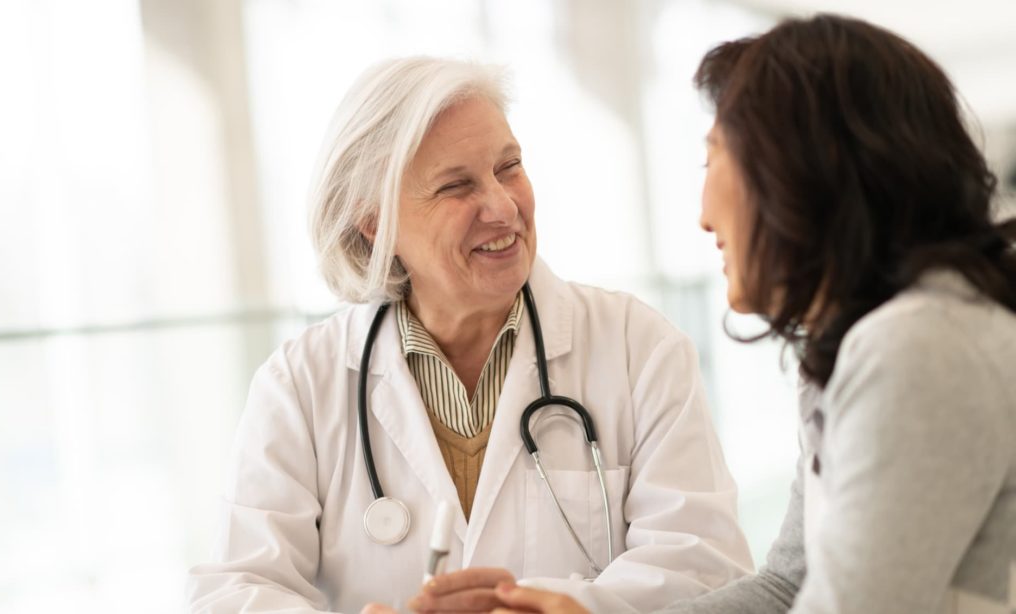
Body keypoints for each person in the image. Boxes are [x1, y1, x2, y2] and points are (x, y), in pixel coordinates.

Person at [488, 13, 1016, 614]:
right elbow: (787, 585)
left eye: (713, 159)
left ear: (803, 171)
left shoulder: (920, 347)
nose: (704, 214)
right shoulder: (863, 346)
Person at [185, 56, 754, 613]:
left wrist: (544, 609)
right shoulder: (300, 385)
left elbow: (704, 569)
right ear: (376, 221)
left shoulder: (639, 348)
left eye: (509, 166)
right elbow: (235, 589)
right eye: (456, 186)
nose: (503, 206)